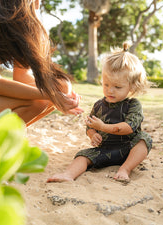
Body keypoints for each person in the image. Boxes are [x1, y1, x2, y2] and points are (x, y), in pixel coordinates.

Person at [47, 42, 152, 183]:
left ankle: (125, 169)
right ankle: (68, 174)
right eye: (106, 84)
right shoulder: (99, 105)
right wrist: (93, 134)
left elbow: (128, 128)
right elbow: (90, 126)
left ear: (132, 86)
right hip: (105, 151)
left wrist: (103, 127)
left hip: (128, 148)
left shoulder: (133, 105)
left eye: (117, 86)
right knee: (82, 155)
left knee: (144, 140)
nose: (110, 90)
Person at [0, 0, 83, 127]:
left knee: (60, 87)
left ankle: (6, 137)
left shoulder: (18, 24)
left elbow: (21, 76)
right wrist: (52, 95)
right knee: (41, 100)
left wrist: (59, 95)